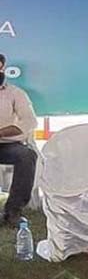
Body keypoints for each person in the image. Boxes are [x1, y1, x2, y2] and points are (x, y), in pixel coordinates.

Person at [0, 54, 37, 227]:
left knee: (27, 155)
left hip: (6, 144)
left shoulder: (15, 93)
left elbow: (29, 121)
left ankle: (13, 210)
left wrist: (1, 132)